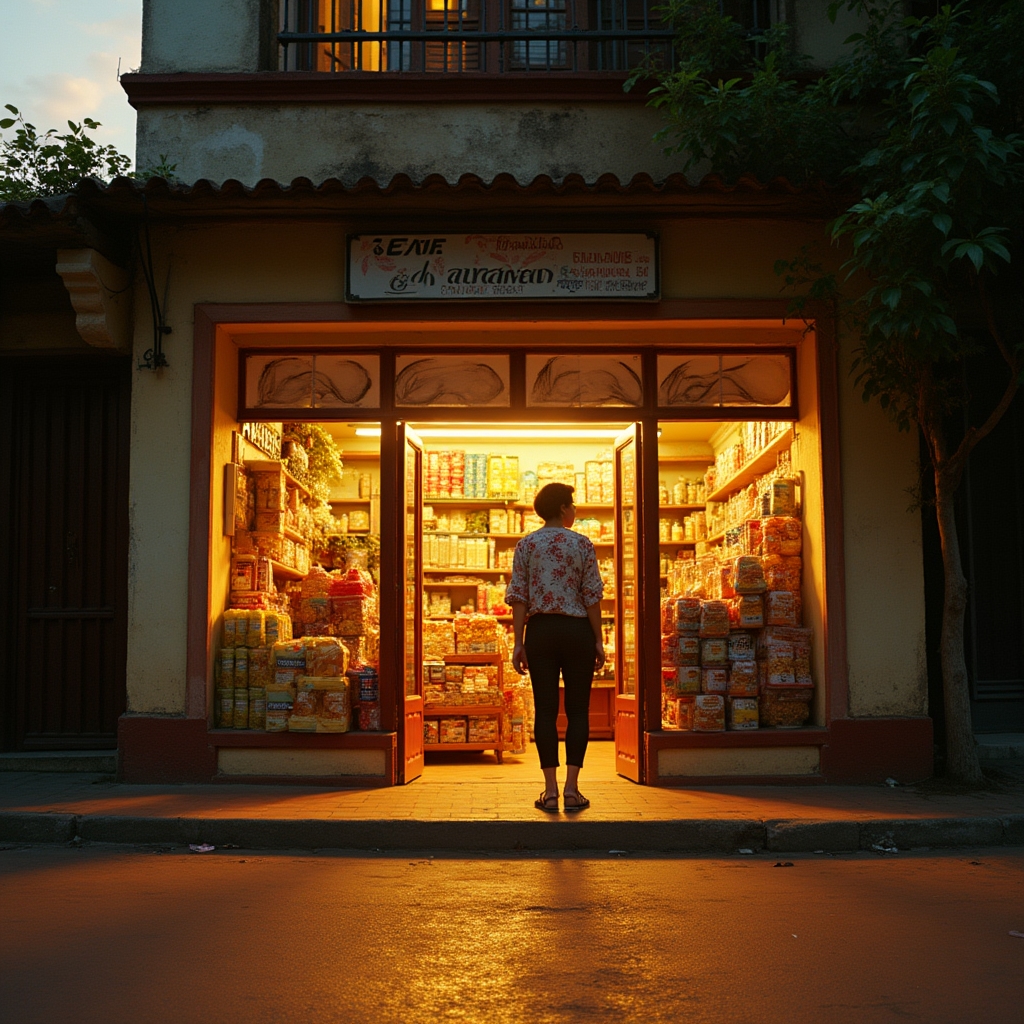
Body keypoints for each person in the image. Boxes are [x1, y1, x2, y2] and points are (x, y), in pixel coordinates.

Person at [505, 482, 605, 812]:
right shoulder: (582, 544)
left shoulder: (526, 545)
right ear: (563, 508)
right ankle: (572, 790)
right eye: (572, 505)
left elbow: (518, 597)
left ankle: (550, 792)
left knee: (545, 710)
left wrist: (518, 642)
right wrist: (598, 640)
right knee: (578, 710)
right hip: (577, 631)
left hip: (541, 631)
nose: (575, 510)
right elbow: (592, 595)